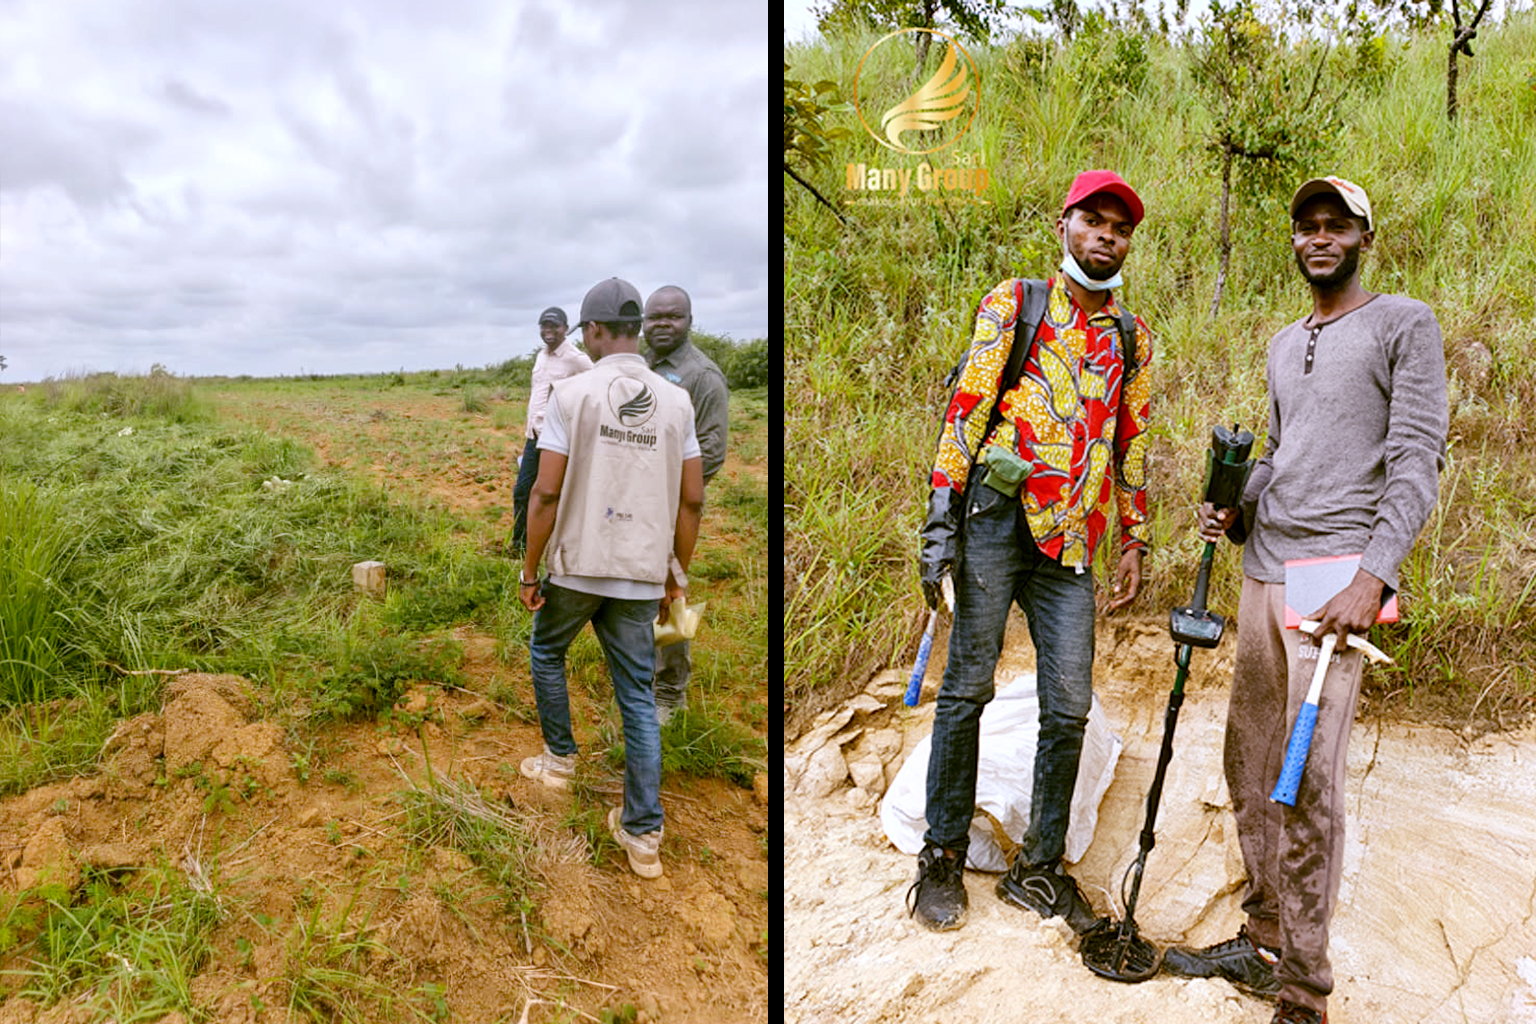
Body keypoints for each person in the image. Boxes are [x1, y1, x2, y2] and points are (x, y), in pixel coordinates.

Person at [1165, 176, 1448, 1024]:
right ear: (1293, 241)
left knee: (1307, 778)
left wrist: (1375, 573)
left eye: (1337, 226)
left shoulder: (1404, 324)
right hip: (1264, 568)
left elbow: (1417, 457)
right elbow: (1281, 452)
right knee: (1250, 763)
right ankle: (1263, 940)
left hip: (1336, 578)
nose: (1320, 238)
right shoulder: (1284, 343)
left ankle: (1303, 991)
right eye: (1306, 226)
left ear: (1365, 238)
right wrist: (1235, 504)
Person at [908, 170, 1153, 935]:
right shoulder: (1015, 305)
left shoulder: (1131, 338)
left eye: (1119, 227)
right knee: (967, 689)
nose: (1105, 235)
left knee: (1069, 705)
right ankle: (942, 855)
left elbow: (1131, 443)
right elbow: (966, 413)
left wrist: (1135, 537)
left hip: (1072, 545)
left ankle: (1039, 868)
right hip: (994, 522)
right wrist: (940, 523)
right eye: (1093, 220)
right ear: (1064, 226)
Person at [517, 277, 705, 880]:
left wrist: (529, 570)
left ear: (594, 331)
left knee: (547, 652)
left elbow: (545, 492)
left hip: (577, 566)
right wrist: (676, 578)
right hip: (642, 574)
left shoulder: (571, 395)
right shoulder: (677, 402)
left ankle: (559, 760)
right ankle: (643, 835)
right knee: (638, 697)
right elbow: (693, 501)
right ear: (638, 328)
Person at [642, 285, 730, 723]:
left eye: (672, 316)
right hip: (635, 500)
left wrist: (667, 484)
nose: (662, 324)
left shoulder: (703, 376)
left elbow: (712, 451)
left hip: (675, 504)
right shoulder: (641, 366)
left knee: (671, 590)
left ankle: (671, 692)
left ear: (689, 321)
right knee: (639, 588)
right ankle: (642, 676)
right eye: (654, 317)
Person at [511, 306, 593, 555]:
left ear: (565, 328)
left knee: (553, 493)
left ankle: (562, 547)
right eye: (544, 326)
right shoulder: (541, 356)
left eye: (554, 326)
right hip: (534, 435)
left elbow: (595, 385)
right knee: (523, 491)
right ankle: (520, 545)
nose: (548, 331)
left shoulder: (576, 358)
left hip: (557, 438)